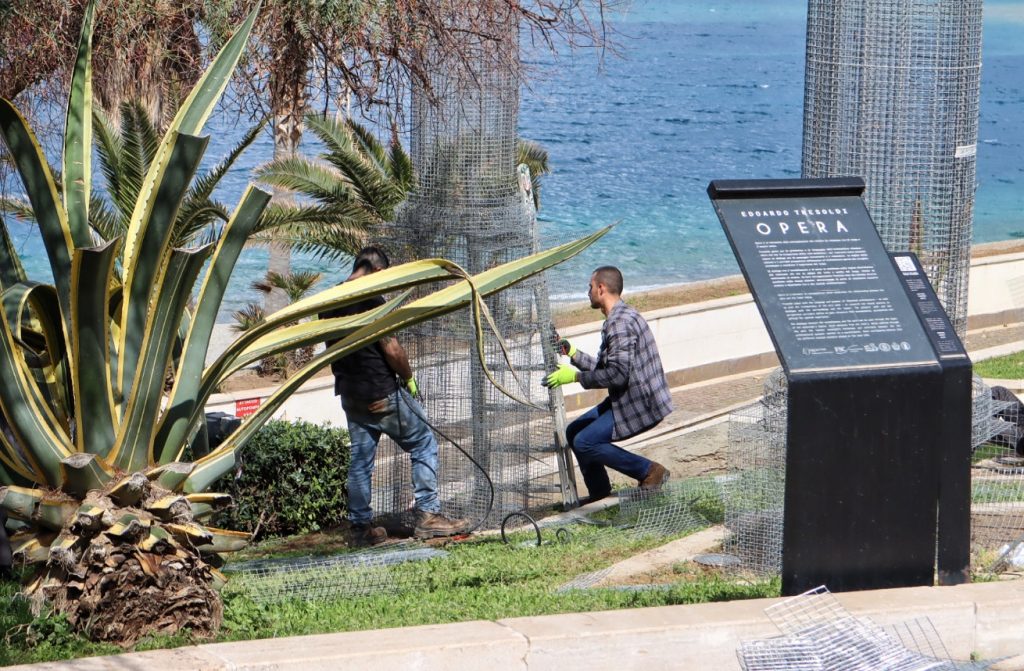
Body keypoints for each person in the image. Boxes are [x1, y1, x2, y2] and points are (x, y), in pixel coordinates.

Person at [321, 246, 466, 545]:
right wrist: (409, 378)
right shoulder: (373, 301)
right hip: (381, 394)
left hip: (350, 395)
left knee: (360, 462)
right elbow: (392, 349)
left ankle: (360, 530)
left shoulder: (330, 299)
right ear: (376, 271)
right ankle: (428, 516)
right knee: (423, 442)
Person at [543, 266, 673, 504]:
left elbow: (617, 375)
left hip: (639, 403)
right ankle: (600, 493)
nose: (588, 292)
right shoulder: (621, 316)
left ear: (601, 288)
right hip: (629, 397)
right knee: (574, 432)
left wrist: (574, 377)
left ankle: (650, 472)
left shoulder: (618, 324)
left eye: (590, 287)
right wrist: (571, 352)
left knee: (585, 441)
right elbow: (609, 369)